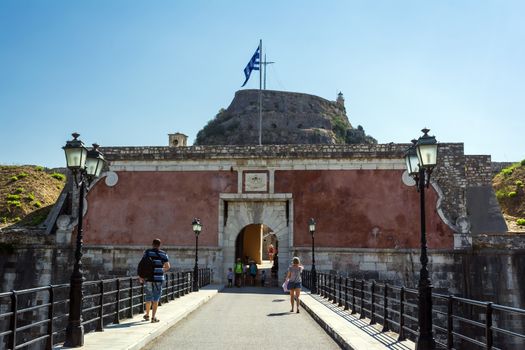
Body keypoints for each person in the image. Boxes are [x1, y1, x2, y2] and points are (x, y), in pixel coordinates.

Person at [139, 238, 170, 323]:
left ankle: (147, 315)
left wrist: (141, 277)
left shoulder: (147, 252)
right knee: (156, 298)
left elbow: (142, 264)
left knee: (148, 296)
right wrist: (161, 270)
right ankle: (153, 317)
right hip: (159, 279)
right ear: (159, 245)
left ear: (152, 244)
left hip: (149, 278)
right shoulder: (163, 254)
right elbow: (168, 266)